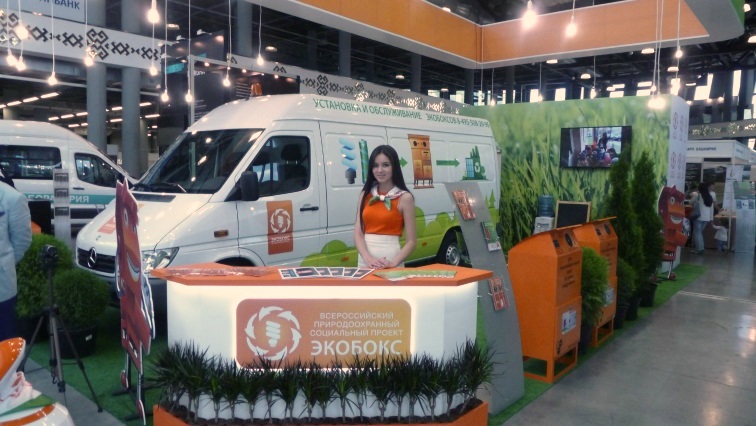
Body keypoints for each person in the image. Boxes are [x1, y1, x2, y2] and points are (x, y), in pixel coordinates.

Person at [354, 145, 416, 269]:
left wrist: (393, 263)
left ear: (394, 167)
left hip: (391, 261)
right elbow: (358, 233)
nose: (379, 170)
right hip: (365, 261)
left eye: (385, 165)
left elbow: (411, 241)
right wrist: (368, 259)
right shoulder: (365, 194)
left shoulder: (405, 198)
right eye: (375, 165)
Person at [0, 180, 32, 342]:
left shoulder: (12, 198)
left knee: (6, 345)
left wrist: (5, 265)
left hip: (2, 290)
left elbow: (21, 242)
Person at [691, 182, 716, 254]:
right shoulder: (710, 197)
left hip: (698, 217)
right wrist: (711, 219)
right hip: (706, 218)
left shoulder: (697, 195)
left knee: (697, 233)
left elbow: (690, 202)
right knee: (699, 233)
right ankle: (700, 248)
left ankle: (699, 249)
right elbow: (712, 209)